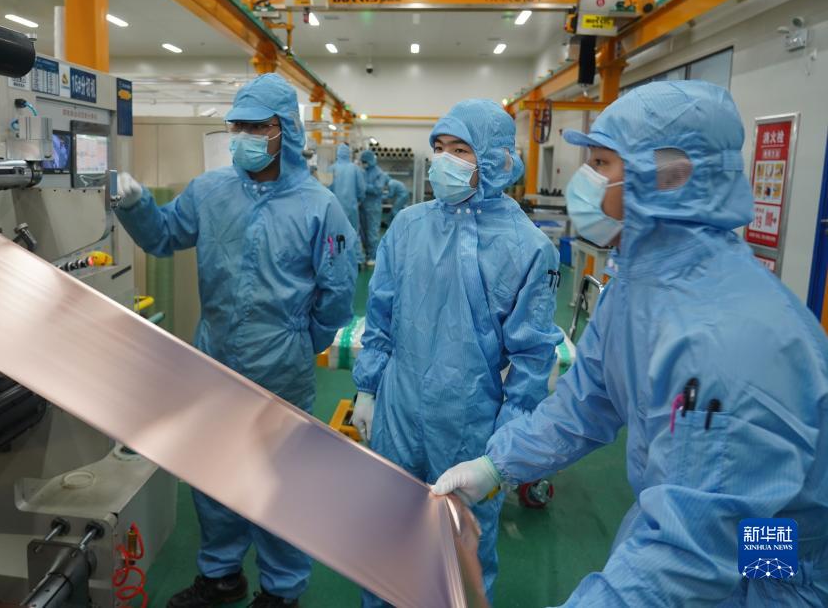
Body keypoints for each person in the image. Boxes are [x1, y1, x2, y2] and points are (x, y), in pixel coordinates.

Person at [432, 81, 828, 606]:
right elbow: (585, 404)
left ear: (669, 177)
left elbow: (689, 553)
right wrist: (496, 465)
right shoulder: (640, 288)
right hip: (713, 533)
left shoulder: (726, 338)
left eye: (601, 163)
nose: (584, 179)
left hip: (778, 565)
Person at [115, 73, 358, 608]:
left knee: (279, 482)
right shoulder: (209, 191)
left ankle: (281, 589)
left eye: (257, 127)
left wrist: (298, 341)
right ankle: (221, 575)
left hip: (282, 368)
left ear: (284, 130)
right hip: (215, 359)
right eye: (238, 126)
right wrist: (135, 206)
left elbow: (338, 296)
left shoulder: (321, 208)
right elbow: (164, 237)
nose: (244, 136)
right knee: (214, 473)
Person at [351, 99, 563, 606]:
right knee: (385, 534)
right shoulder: (408, 226)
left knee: (459, 545)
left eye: (461, 150)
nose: (445, 160)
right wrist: (368, 388)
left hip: (469, 422)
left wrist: (503, 452)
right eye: (440, 148)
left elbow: (533, 362)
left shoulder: (528, 247)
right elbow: (380, 313)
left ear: (493, 159)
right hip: (398, 409)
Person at [359, 149, 388, 266]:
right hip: (363, 206)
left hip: (373, 207)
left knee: (372, 233)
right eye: (362, 161)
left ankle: (373, 256)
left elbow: (378, 189)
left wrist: (363, 186)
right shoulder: (363, 172)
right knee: (363, 232)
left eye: (365, 161)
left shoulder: (379, 173)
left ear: (370, 160)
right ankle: (367, 254)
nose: (363, 163)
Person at [328, 143, 365, 234]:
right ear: (349, 153)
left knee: (336, 234)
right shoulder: (355, 169)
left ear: (338, 153)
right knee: (352, 233)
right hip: (351, 208)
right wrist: (359, 200)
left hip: (335, 208)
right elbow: (361, 189)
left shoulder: (331, 169)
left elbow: (327, 189)